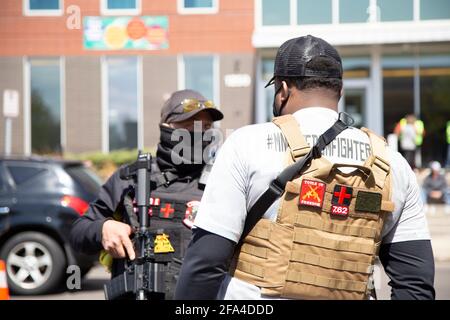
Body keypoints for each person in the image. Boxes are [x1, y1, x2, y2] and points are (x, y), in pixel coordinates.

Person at [175, 35, 435, 300]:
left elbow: (205, 264)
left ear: (283, 89)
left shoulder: (245, 144)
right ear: (340, 91)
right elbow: (416, 284)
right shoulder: (392, 163)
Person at [69, 89, 224, 299]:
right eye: (190, 126)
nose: (201, 134)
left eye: (206, 127)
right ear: (167, 128)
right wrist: (102, 228)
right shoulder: (130, 179)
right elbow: (78, 233)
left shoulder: (222, 182)